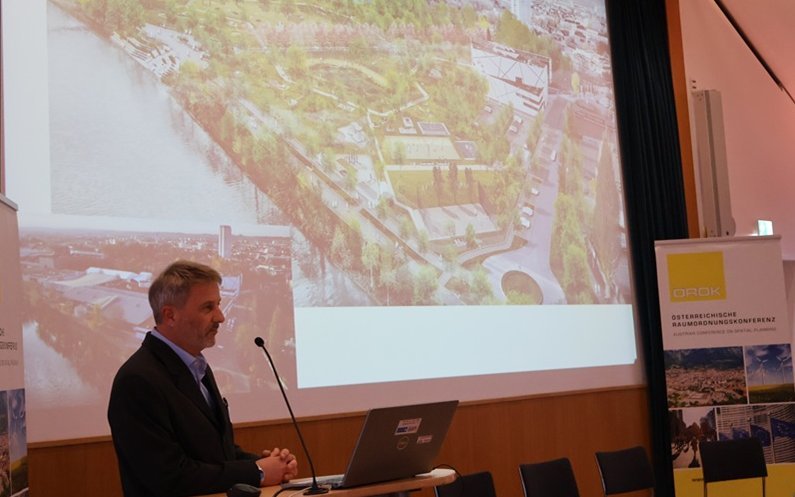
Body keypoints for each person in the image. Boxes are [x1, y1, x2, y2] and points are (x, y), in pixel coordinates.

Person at [108, 260, 298, 497]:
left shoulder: (198, 368)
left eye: (218, 305)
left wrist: (270, 465)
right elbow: (168, 477)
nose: (221, 317)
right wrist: (256, 472)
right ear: (170, 315)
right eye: (208, 308)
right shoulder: (137, 381)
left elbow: (216, 453)